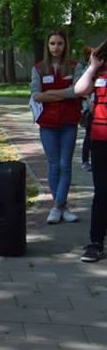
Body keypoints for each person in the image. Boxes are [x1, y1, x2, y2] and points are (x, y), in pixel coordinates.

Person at [29, 30, 86, 224]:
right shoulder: (38, 68)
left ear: (65, 45)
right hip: (47, 124)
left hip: (69, 122)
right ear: (47, 45)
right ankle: (62, 206)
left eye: (60, 43)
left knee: (65, 165)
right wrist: (64, 93)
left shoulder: (75, 66)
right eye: (52, 43)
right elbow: (36, 95)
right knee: (54, 165)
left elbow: (77, 91)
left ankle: (57, 207)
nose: (56, 47)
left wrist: (51, 93)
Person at [68, 40, 107, 262]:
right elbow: (79, 90)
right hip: (101, 141)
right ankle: (96, 242)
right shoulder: (99, 71)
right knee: (102, 193)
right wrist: (92, 66)